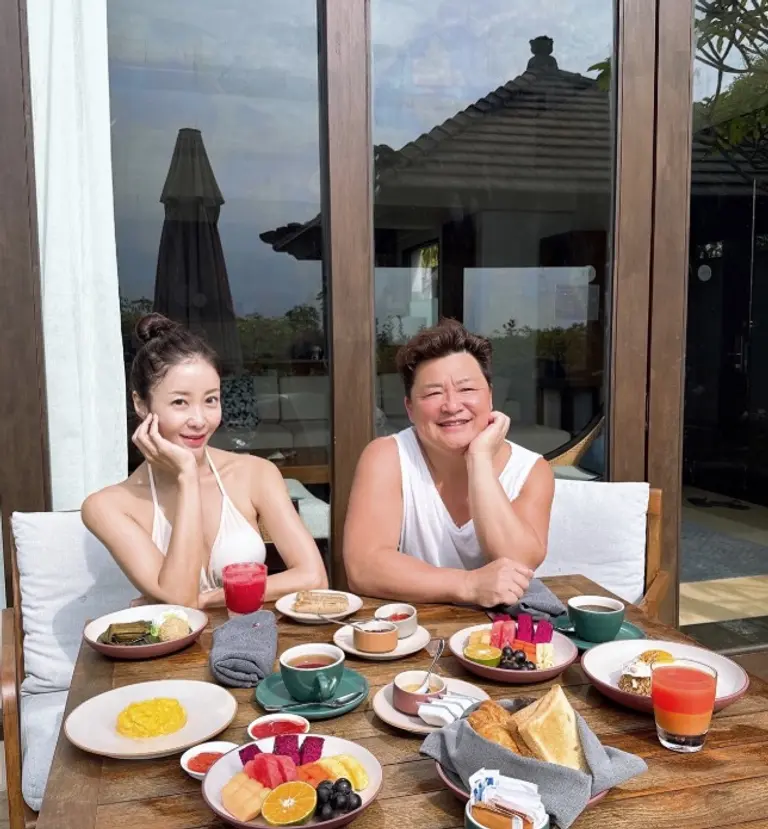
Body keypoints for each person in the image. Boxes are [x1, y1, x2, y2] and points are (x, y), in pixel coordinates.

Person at [82, 313, 328, 608]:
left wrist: (209, 598)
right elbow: (180, 600)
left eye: (211, 399)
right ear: (141, 404)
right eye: (179, 402)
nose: (199, 420)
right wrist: (187, 477)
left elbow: (314, 578)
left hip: (253, 633)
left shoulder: (255, 473)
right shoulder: (108, 507)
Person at [343, 319, 554, 608]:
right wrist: (468, 585)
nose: (452, 406)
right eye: (433, 393)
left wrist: (479, 461)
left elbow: (517, 565)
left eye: (467, 389)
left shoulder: (531, 470)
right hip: (414, 627)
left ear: (490, 396)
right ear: (409, 408)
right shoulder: (387, 457)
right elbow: (364, 568)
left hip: (499, 630)